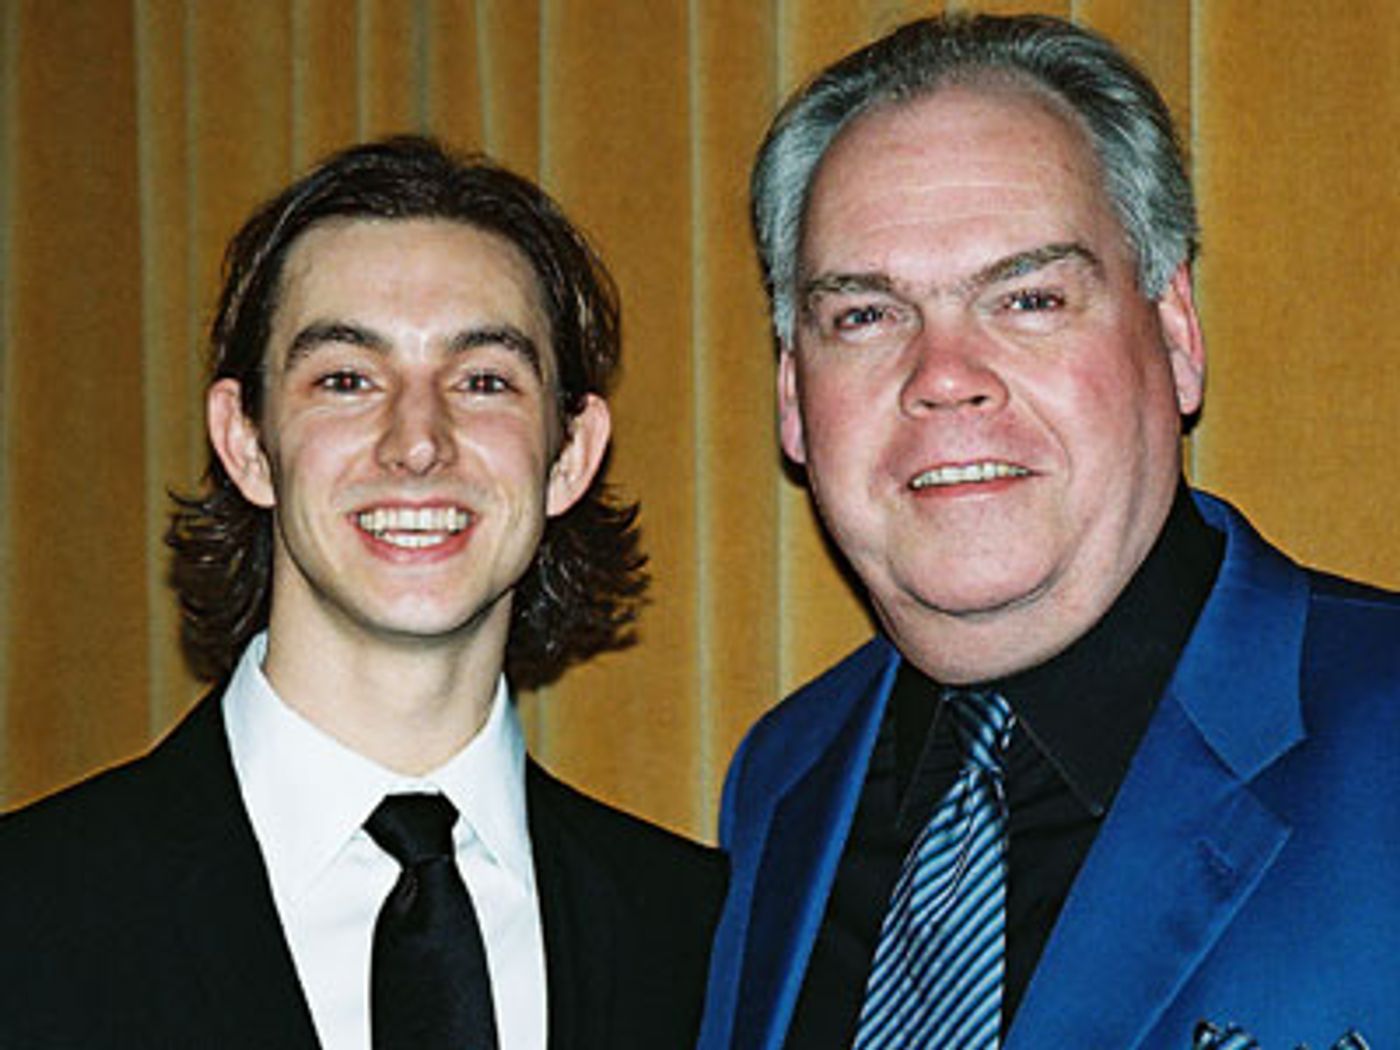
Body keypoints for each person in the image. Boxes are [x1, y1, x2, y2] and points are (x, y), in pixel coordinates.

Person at [699, 13, 1398, 1050]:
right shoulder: (782, 780)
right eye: (865, 316)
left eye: (1027, 298)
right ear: (793, 397)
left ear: (1175, 335)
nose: (943, 378)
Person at [0, 135, 723, 1050]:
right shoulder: (27, 916)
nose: (417, 442)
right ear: (246, 441)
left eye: (483, 381)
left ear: (570, 455)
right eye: (346, 380)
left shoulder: (704, 937)